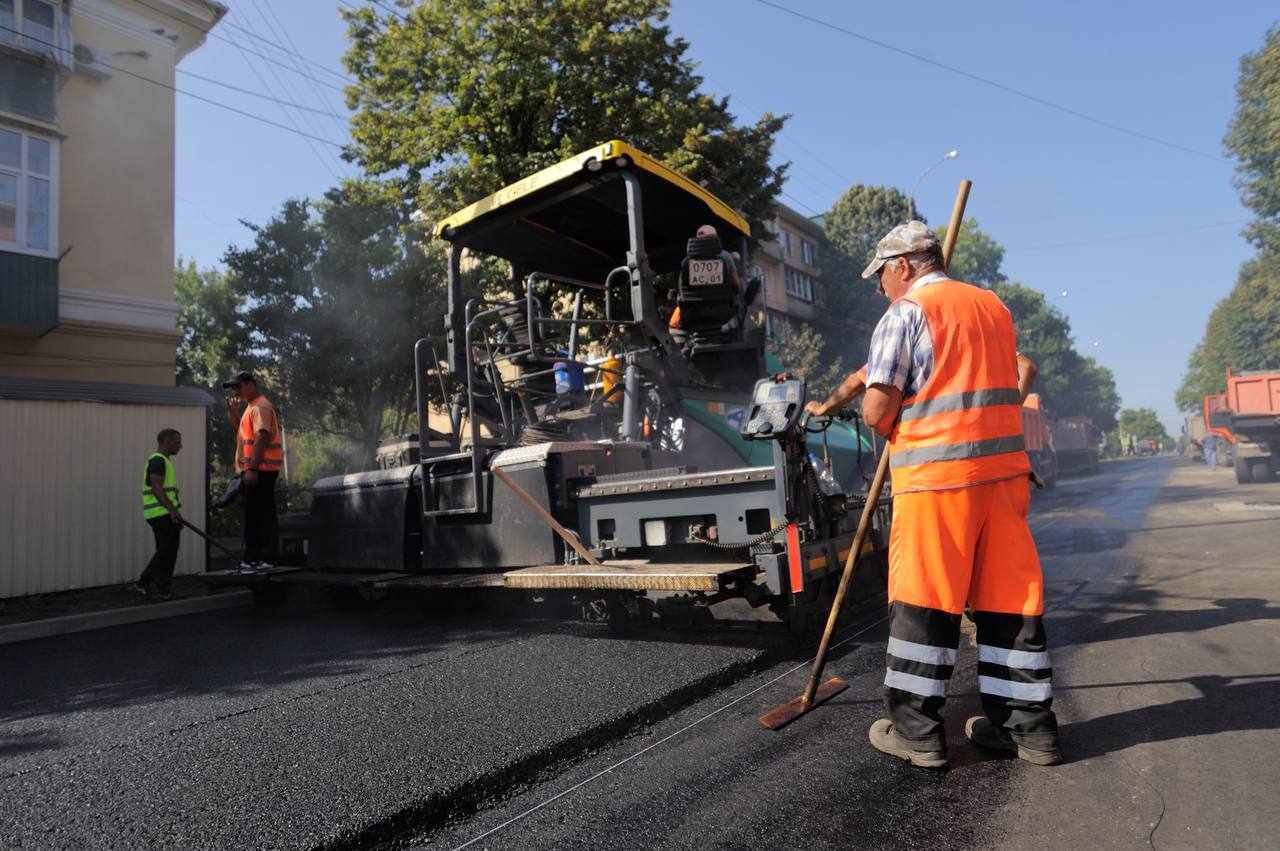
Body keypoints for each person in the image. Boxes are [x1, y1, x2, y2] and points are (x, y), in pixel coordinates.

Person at [806, 221, 1060, 769]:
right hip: (1005, 480)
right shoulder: (993, 307)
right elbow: (1005, 379)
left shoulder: (905, 313)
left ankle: (918, 733)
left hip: (938, 483)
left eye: (882, 277)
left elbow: (876, 411)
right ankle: (1030, 732)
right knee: (1008, 602)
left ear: (902, 267)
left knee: (925, 601)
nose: (881, 289)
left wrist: (890, 421)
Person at [223, 371, 283, 572]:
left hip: (261, 470)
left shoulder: (260, 407)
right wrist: (233, 413)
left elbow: (261, 438)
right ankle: (259, 558)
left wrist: (253, 469)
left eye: (238, 386)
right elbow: (242, 434)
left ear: (251, 384)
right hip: (258, 470)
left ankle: (260, 559)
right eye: (232, 388)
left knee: (258, 516)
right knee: (257, 514)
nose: (235, 391)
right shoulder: (252, 408)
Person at [667, 224, 741, 345]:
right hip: (722, 315)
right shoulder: (726, 256)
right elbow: (736, 285)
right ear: (715, 238)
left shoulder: (686, 262)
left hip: (692, 317)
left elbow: (682, 292)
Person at [136, 429, 184, 601]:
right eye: (177, 442)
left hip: (159, 513)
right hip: (161, 513)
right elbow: (157, 487)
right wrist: (173, 512)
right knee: (167, 551)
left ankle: (162, 589)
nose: (180, 446)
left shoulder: (162, 461)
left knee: (165, 551)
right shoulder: (158, 460)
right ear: (166, 441)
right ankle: (144, 583)